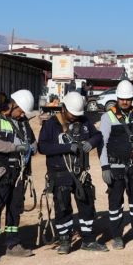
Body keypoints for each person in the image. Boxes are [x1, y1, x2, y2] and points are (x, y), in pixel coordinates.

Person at [37, 91, 106, 254]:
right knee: (62, 208)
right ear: (63, 108)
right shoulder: (51, 125)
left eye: (77, 114)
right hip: (60, 175)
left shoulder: (84, 121)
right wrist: (67, 147)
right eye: (72, 114)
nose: (75, 117)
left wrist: (91, 142)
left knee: (87, 205)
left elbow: (98, 136)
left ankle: (88, 240)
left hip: (80, 173)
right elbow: (43, 147)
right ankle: (65, 240)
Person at [0, 89, 37, 262]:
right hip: (0, 173)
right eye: (20, 111)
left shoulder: (23, 123)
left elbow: (33, 142)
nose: (21, 115)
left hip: (18, 174)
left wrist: (31, 147)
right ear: (12, 105)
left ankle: (13, 243)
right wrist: (15, 147)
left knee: (15, 208)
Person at [100, 80, 133, 249]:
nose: (125, 102)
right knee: (115, 204)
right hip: (116, 168)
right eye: (122, 98)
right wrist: (105, 167)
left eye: (128, 99)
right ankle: (117, 236)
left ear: (132, 98)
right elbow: (103, 144)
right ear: (117, 98)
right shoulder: (108, 116)